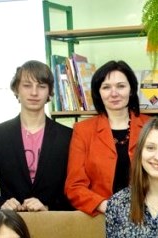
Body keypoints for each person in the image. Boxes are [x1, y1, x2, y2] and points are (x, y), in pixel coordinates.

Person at [0, 60, 73, 213]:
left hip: (55, 222)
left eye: (41, 86)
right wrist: (1, 204)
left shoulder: (67, 136)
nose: (34, 92)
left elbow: (75, 188)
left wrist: (49, 208)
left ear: (49, 92)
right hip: (11, 222)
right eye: (27, 86)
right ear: (17, 89)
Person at [64, 60, 151, 215]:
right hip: (101, 217)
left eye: (121, 86)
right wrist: (106, 206)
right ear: (98, 92)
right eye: (106, 87)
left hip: (147, 214)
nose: (114, 93)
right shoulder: (83, 131)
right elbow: (74, 186)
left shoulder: (151, 126)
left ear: (131, 89)